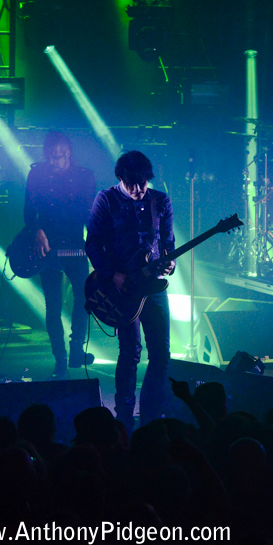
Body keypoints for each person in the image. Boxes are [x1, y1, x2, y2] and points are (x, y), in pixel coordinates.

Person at [85, 151, 175, 434]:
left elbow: (167, 244)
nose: (138, 190)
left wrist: (169, 262)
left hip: (154, 286)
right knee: (131, 352)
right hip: (122, 289)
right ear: (120, 178)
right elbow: (93, 244)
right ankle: (124, 416)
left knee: (161, 352)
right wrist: (112, 275)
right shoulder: (106, 199)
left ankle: (150, 415)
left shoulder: (160, 201)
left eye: (143, 184)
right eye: (131, 184)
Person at [23, 131, 97, 378]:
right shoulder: (37, 174)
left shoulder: (85, 177)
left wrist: (97, 242)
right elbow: (28, 210)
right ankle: (60, 358)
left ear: (69, 153)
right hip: (48, 248)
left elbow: (90, 215)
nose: (56, 161)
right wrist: (37, 231)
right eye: (52, 156)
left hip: (75, 245)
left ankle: (76, 349)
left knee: (84, 299)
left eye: (60, 156)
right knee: (53, 306)